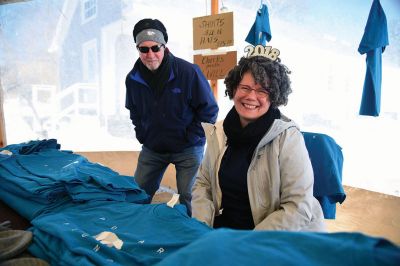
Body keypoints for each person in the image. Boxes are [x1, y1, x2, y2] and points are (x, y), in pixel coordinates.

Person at [191, 55, 325, 231]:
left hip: (271, 239)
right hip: (226, 231)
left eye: (262, 91)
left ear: (274, 96)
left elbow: (298, 206)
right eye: (245, 88)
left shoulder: (288, 138)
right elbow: (203, 184)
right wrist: (202, 228)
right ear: (233, 89)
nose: (251, 96)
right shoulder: (220, 131)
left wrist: (251, 243)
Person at [125, 18, 219, 215]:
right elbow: (133, 110)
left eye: (155, 48)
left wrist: (192, 137)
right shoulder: (132, 78)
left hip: (187, 148)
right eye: (144, 49)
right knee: (137, 194)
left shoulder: (188, 72)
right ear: (138, 49)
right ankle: (133, 235)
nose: (150, 54)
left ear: (164, 46)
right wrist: (143, 134)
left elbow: (209, 110)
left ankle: (195, 238)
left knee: (191, 196)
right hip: (153, 149)